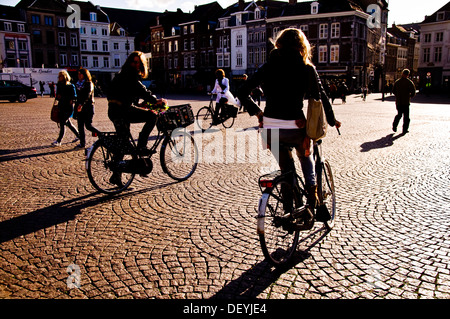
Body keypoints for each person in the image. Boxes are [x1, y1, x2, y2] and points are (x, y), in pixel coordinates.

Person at [237, 28, 341, 226]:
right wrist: (331, 118)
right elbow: (320, 97)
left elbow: (242, 90)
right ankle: (313, 202)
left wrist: (258, 112)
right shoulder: (306, 68)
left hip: (270, 127)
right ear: (302, 47)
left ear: (279, 44)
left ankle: (288, 209)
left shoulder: (268, 66)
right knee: (306, 159)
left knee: (286, 168)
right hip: (295, 126)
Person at [107, 51, 164, 186]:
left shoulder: (120, 75)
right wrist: (156, 100)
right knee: (153, 115)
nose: (136, 64)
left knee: (123, 142)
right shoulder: (131, 75)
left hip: (114, 111)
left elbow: (117, 93)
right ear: (129, 62)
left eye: (138, 62)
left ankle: (116, 176)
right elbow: (142, 91)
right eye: (134, 61)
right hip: (123, 111)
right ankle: (142, 145)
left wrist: (135, 104)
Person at [52, 70, 80, 146]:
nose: (59, 78)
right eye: (59, 76)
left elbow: (74, 96)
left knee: (62, 123)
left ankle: (59, 141)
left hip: (68, 107)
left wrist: (72, 100)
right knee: (68, 124)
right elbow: (57, 96)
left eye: (61, 76)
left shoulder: (71, 86)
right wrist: (57, 97)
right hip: (61, 106)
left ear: (65, 76)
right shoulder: (59, 85)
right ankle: (78, 135)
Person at [74, 68, 101, 148]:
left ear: (85, 75)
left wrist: (81, 104)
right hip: (80, 107)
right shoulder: (78, 84)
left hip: (87, 107)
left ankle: (100, 134)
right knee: (80, 126)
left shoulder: (88, 83)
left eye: (80, 74)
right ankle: (82, 143)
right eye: (78, 74)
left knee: (88, 125)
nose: (79, 75)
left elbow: (87, 95)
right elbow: (77, 96)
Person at [392, 69, 416, 134]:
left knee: (399, 115)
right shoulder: (409, 82)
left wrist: (398, 95)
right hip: (406, 102)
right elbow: (413, 92)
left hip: (399, 102)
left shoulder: (397, 82)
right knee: (406, 117)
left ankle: (394, 125)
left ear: (402, 74)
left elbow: (393, 91)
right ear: (408, 75)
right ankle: (405, 130)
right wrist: (409, 96)